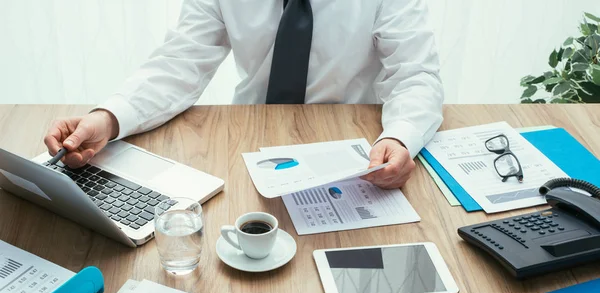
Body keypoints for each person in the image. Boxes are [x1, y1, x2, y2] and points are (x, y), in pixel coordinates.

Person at [44, 0, 443, 189]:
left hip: (355, 150)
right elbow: (179, 64)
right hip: (250, 145)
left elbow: (416, 74)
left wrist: (399, 135)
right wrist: (107, 118)